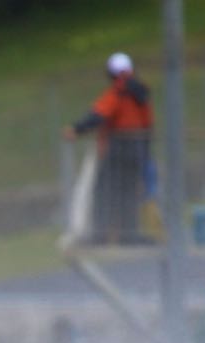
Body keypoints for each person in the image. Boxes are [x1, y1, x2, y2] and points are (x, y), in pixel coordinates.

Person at [64, 52, 155, 245]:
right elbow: (148, 125)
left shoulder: (118, 93)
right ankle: (129, 235)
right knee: (129, 192)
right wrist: (145, 152)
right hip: (137, 148)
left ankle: (100, 234)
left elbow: (98, 116)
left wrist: (76, 129)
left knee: (104, 191)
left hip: (118, 148)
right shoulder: (142, 95)